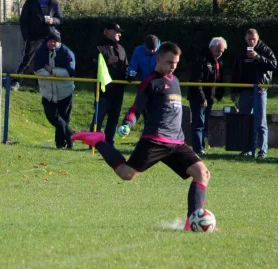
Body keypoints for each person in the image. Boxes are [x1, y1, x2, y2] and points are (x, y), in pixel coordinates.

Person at [72, 42, 212, 231]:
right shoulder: (150, 83)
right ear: (159, 59)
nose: (173, 66)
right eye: (170, 62)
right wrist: (128, 124)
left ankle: (192, 222)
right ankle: (99, 141)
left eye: (176, 63)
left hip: (177, 143)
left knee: (202, 174)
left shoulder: (176, 81)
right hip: (155, 140)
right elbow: (135, 109)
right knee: (126, 174)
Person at [231, 29, 277, 158]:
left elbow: (273, 65)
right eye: (249, 39)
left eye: (254, 39)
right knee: (245, 120)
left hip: (260, 89)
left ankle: (262, 151)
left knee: (260, 120)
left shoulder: (265, 50)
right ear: (245, 38)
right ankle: (247, 149)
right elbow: (236, 71)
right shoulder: (241, 51)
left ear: (258, 39)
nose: (252, 41)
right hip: (245, 89)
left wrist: (257, 57)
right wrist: (234, 91)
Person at [14, 0, 63, 90]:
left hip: (49, 34)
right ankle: (17, 81)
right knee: (28, 58)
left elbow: (60, 19)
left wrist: (53, 21)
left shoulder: (54, 2)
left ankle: (41, 83)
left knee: (46, 59)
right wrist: (26, 35)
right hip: (33, 35)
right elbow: (23, 20)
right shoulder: (30, 2)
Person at [33, 32, 76, 149]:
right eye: (50, 41)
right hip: (47, 92)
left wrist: (52, 71)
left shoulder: (67, 53)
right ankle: (71, 134)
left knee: (64, 117)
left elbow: (69, 72)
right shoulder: (41, 51)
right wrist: (53, 73)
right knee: (52, 116)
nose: (52, 43)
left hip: (65, 91)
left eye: (54, 41)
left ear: (59, 41)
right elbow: (37, 70)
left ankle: (61, 144)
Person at [89, 23, 129, 147]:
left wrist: (129, 73)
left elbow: (127, 66)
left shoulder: (121, 49)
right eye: (116, 31)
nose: (119, 34)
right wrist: (107, 62)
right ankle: (93, 141)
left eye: (120, 31)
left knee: (114, 117)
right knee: (99, 116)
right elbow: (90, 65)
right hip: (103, 89)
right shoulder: (98, 48)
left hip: (118, 89)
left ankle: (109, 142)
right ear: (106, 31)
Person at [188, 37, 227, 156]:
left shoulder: (218, 61)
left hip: (209, 98)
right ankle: (198, 148)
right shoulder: (202, 59)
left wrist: (219, 94)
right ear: (211, 47)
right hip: (198, 98)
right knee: (199, 123)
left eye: (222, 51)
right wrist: (202, 98)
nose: (220, 54)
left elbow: (219, 79)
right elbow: (197, 80)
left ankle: (202, 147)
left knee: (204, 124)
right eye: (218, 51)